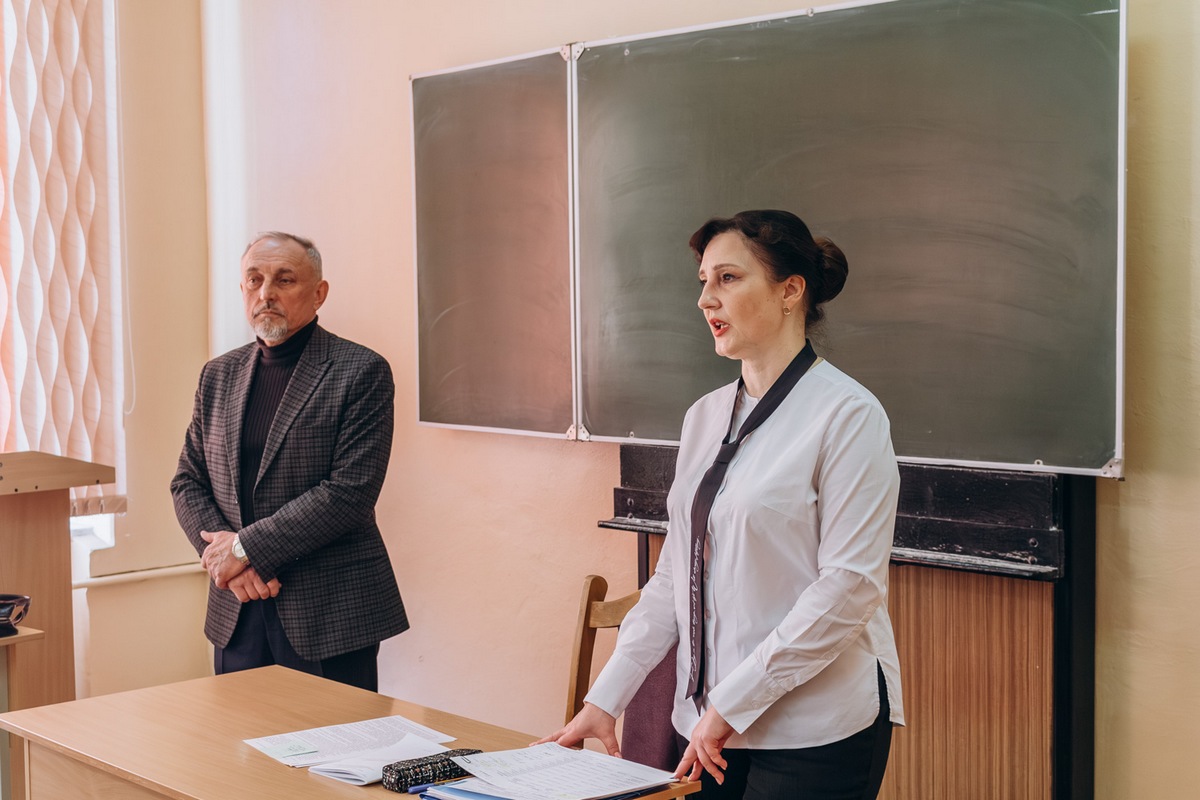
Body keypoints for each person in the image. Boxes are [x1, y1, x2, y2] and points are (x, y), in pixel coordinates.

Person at [540, 210, 903, 799]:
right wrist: (605, 699)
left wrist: (733, 703)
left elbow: (849, 588)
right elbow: (673, 576)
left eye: (728, 278)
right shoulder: (705, 416)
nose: (706, 298)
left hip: (812, 729)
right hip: (710, 727)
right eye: (704, 281)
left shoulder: (849, 415)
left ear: (790, 291)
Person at [171, 231, 408, 691]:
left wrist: (243, 550)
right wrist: (223, 559)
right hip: (237, 606)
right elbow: (188, 481)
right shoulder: (218, 374)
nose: (266, 293)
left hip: (328, 613)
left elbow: (349, 494)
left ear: (319, 293)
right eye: (254, 280)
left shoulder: (361, 370)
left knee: (336, 738)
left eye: (284, 280)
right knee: (240, 735)